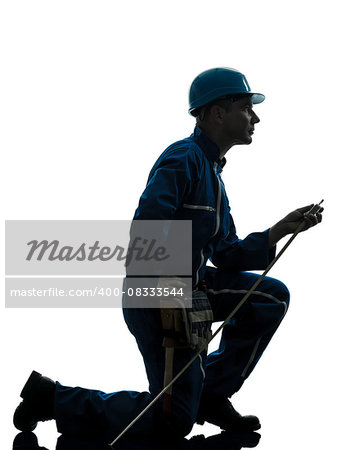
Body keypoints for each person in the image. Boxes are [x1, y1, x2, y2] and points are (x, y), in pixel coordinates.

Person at [13, 67, 323, 441]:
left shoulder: (213, 176)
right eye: (245, 107)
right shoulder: (183, 159)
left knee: (268, 298)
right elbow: (146, 231)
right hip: (157, 298)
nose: (255, 117)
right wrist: (176, 303)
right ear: (216, 113)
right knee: (173, 422)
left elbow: (226, 253)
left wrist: (280, 230)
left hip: (192, 290)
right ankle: (53, 398)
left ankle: (211, 395)